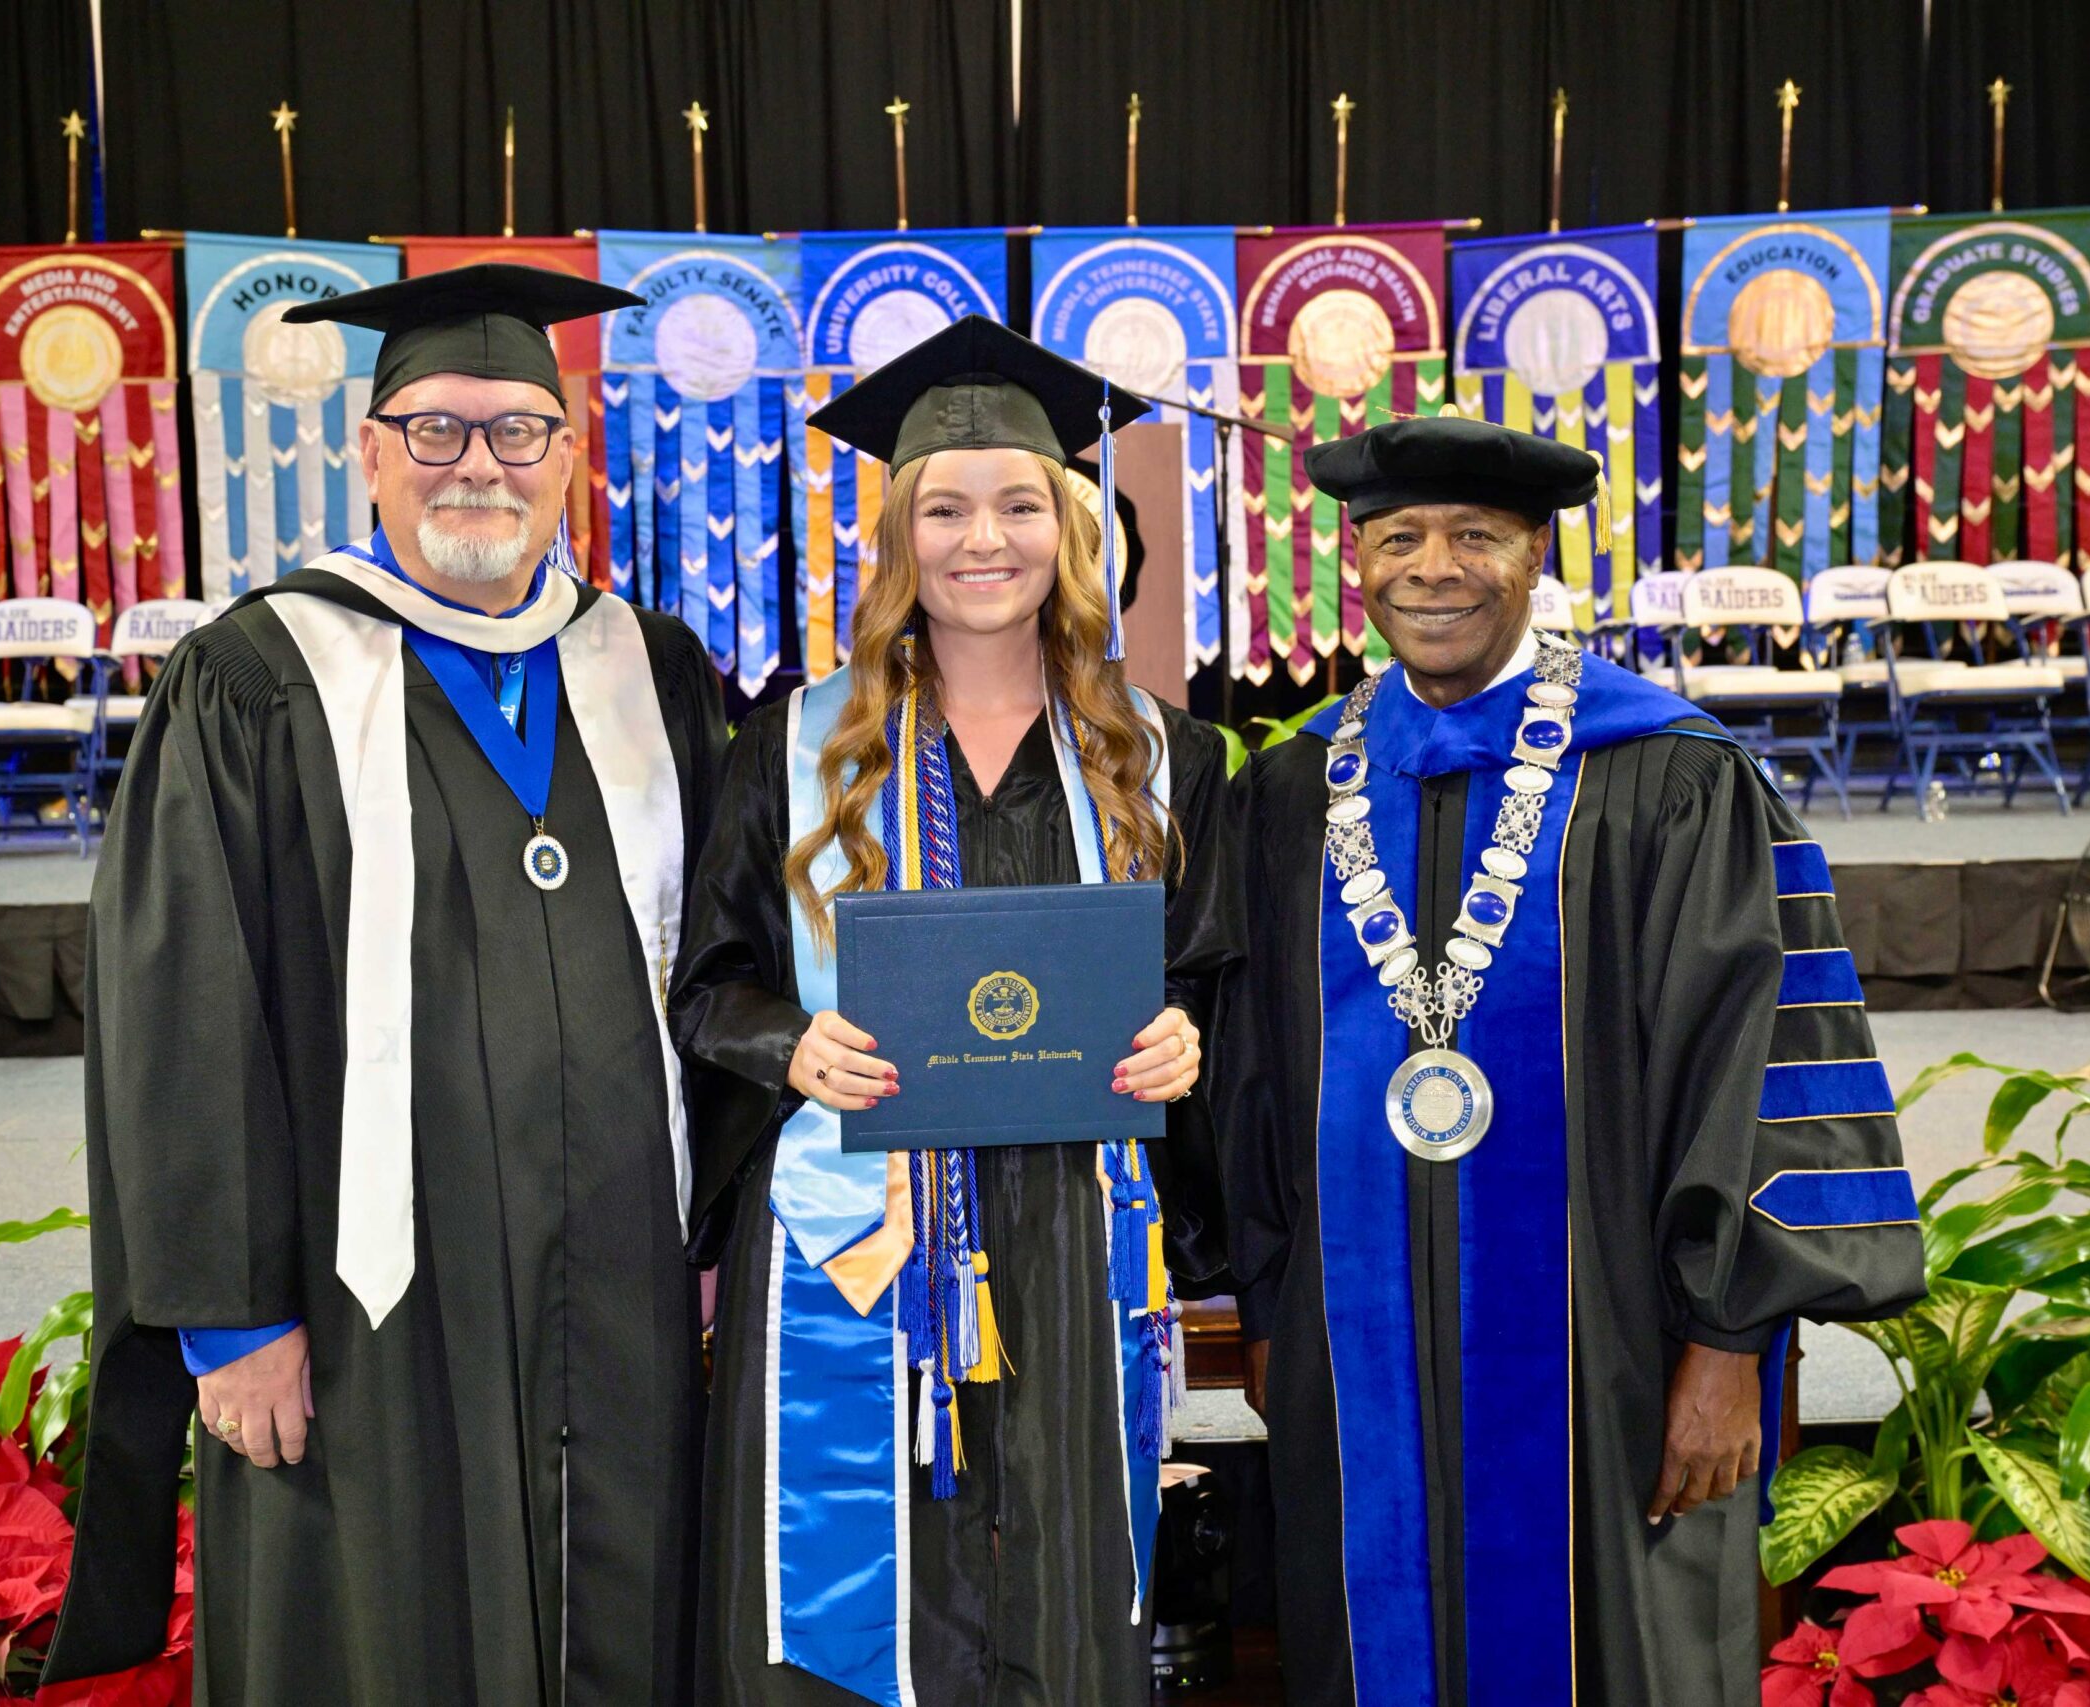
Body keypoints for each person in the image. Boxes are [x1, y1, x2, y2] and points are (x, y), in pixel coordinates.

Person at [41, 264, 724, 1704]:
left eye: (516, 431)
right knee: (383, 1625)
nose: (478, 464)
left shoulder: (647, 670)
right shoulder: (256, 675)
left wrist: (718, 1224)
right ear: (367, 452)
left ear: (568, 451)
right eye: (435, 430)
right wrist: (231, 1318)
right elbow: (182, 1010)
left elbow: (726, 969)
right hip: (364, 1302)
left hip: (623, 1274)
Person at [1215, 414, 1925, 1707]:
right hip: (1358, 1353)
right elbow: (1248, 1070)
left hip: (1622, 1359)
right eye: (1400, 537)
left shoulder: (1665, 770)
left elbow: (1755, 1061)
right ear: (1355, 559)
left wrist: (1724, 1349)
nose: (1435, 567)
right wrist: (1269, 1308)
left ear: (1534, 554)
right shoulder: (1292, 787)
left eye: (1475, 537)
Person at [672, 316, 1237, 1707]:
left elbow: (1214, 982)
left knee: (1060, 1577)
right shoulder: (796, 743)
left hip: (1070, 1230)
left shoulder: (1163, 753)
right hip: (856, 1228)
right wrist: (788, 1044)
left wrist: (1187, 1041)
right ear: (899, 535)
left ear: (1072, 525)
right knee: (856, 1598)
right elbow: (707, 984)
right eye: (944, 507)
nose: (983, 539)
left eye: (1020, 504)